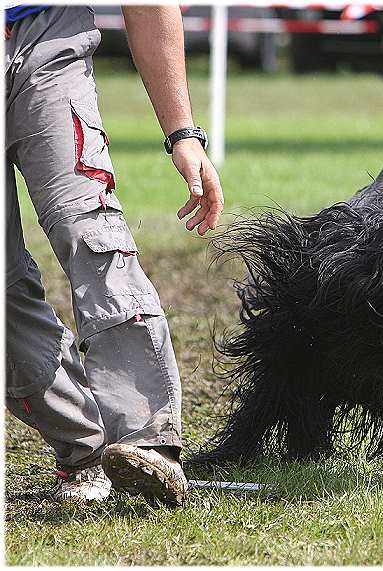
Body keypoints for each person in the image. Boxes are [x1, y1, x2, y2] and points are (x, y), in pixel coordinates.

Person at [5, 5, 224, 506]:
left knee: (91, 232)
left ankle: (149, 442)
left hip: (47, 39)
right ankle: (85, 449)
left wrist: (184, 136)